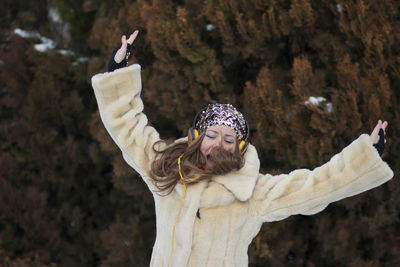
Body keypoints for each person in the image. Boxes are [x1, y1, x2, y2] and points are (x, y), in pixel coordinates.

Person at [91, 30, 394, 267]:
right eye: (212, 134)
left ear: (238, 150)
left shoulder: (252, 194)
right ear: (197, 136)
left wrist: (366, 155)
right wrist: (118, 70)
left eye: (228, 140)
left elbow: (316, 187)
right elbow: (128, 128)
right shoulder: (167, 171)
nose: (219, 144)